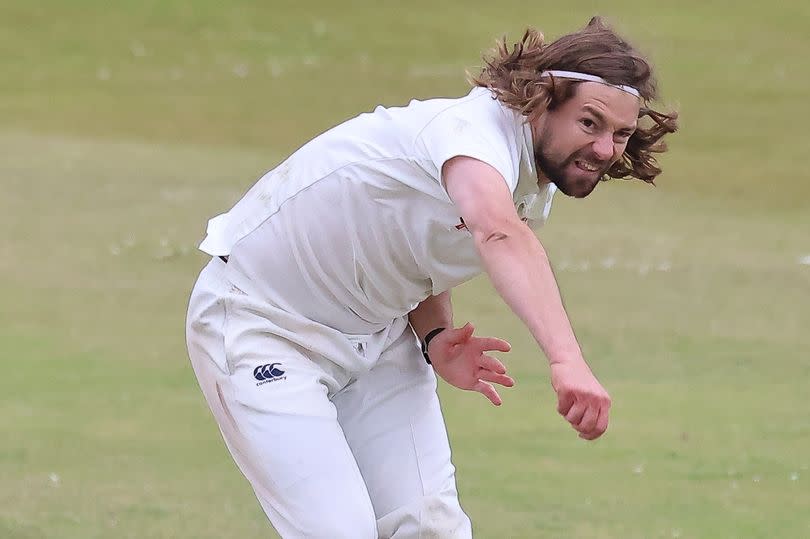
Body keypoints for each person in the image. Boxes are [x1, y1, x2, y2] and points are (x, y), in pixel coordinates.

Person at [185, 16, 678, 539]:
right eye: (589, 123)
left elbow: (418, 241)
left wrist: (435, 334)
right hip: (261, 325)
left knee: (430, 528)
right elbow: (498, 234)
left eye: (620, 133)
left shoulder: (531, 180)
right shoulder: (471, 134)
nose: (606, 150)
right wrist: (566, 360)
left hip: (379, 337)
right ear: (541, 101)